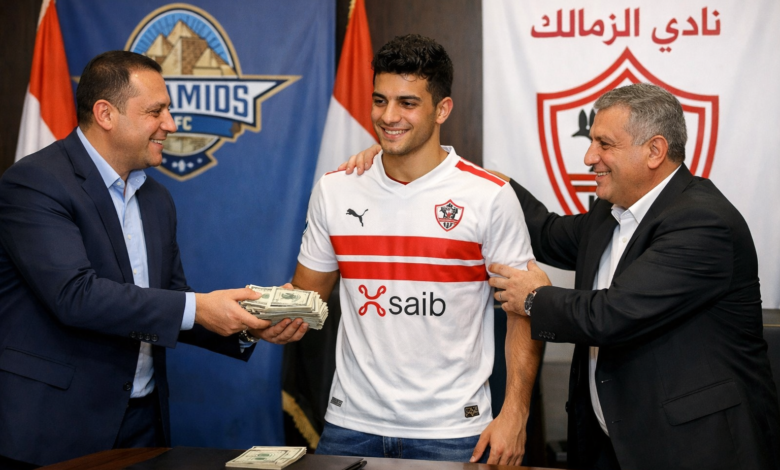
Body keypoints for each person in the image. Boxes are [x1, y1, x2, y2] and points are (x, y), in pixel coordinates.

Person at [349, 82, 780, 469]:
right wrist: (429, 162)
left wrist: (534, 298)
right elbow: (545, 231)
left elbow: (613, 314)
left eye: (604, 144)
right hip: (613, 446)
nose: (590, 157)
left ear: (654, 151)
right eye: (592, 142)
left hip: (694, 449)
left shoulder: (702, 222)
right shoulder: (609, 214)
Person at [0, 51, 308, 469]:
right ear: (106, 114)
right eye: (155, 111)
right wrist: (200, 306)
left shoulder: (156, 198)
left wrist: (247, 322)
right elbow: (75, 295)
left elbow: (169, 298)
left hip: (143, 422)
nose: (171, 124)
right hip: (55, 428)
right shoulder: (36, 182)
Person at [292, 34, 541, 466]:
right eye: (380, 100)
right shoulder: (335, 189)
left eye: (407, 103)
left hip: (454, 431)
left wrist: (515, 413)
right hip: (351, 425)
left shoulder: (489, 196)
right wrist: (242, 312)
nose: (388, 116)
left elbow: (523, 313)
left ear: (441, 109)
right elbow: (305, 298)